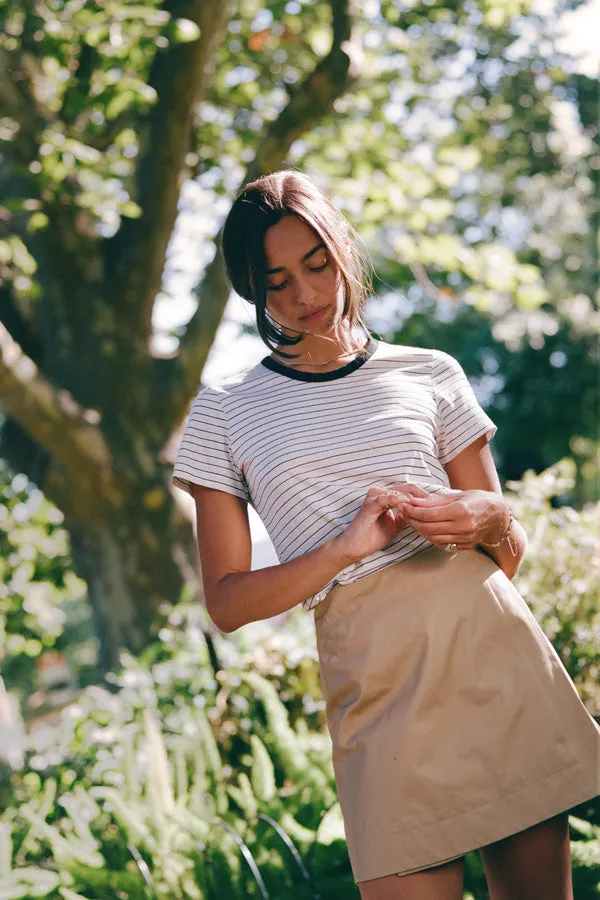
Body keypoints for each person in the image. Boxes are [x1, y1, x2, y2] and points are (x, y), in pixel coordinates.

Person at [172, 170, 600, 900]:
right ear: (253, 289)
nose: (306, 294)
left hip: (490, 654)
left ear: (342, 247)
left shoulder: (430, 372)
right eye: (277, 281)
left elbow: (507, 549)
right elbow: (228, 603)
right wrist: (342, 549)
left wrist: (488, 516)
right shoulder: (225, 413)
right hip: (378, 688)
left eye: (316, 264)